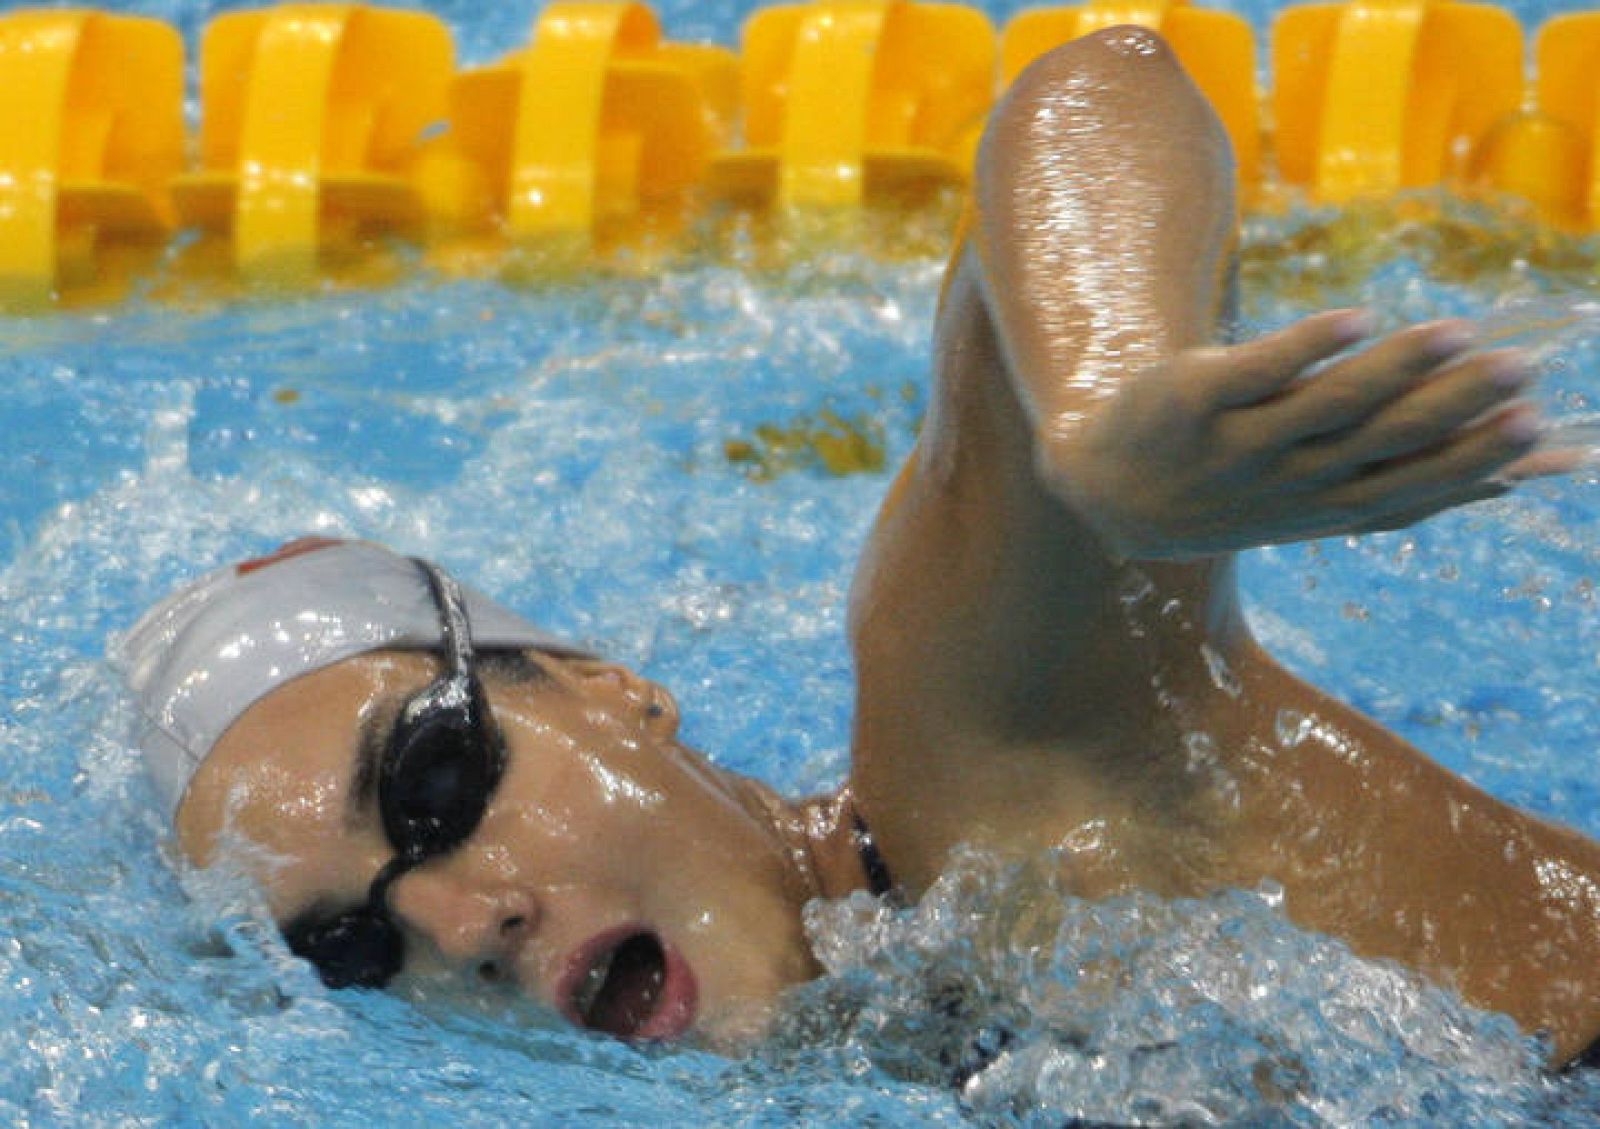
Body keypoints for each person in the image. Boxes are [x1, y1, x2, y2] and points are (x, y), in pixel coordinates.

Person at [118, 28, 1600, 1064]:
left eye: (435, 779)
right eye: (352, 946)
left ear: (609, 687)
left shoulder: (984, 757)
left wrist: (1105, 414)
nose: (462, 923)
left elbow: (1098, 89)